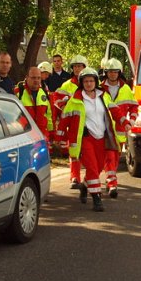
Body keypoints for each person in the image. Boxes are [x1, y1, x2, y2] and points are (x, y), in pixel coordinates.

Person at [58, 67, 119, 212]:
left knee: (98, 168)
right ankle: (97, 199)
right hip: (86, 139)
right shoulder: (76, 99)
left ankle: (85, 186)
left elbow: (115, 111)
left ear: (96, 82)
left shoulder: (103, 96)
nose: (89, 84)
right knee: (91, 167)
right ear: (82, 83)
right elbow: (64, 120)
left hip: (101, 138)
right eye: (86, 81)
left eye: (91, 81)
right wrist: (59, 137)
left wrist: (125, 122)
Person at [100, 58, 137, 198]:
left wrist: (132, 120)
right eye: (110, 72)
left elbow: (134, 106)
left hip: (120, 131)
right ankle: (112, 184)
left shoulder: (126, 89)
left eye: (115, 72)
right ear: (106, 73)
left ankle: (109, 179)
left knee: (113, 159)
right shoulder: (99, 88)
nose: (113, 74)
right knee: (109, 157)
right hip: (103, 129)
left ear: (119, 73)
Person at [53, 55, 88, 189]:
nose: (77, 69)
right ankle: (75, 177)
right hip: (73, 123)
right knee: (74, 151)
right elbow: (57, 99)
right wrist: (66, 106)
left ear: (85, 67)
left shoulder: (90, 82)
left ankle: (89, 177)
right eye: (75, 66)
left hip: (89, 124)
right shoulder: (67, 84)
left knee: (88, 152)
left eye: (80, 66)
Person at [16, 66, 53, 142]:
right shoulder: (18, 93)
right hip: (25, 137)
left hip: (42, 136)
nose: (36, 80)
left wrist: (52, 134)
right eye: (33, 78)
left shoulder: (44, 93)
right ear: (27, 77)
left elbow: (49, 115)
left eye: (38, 78)